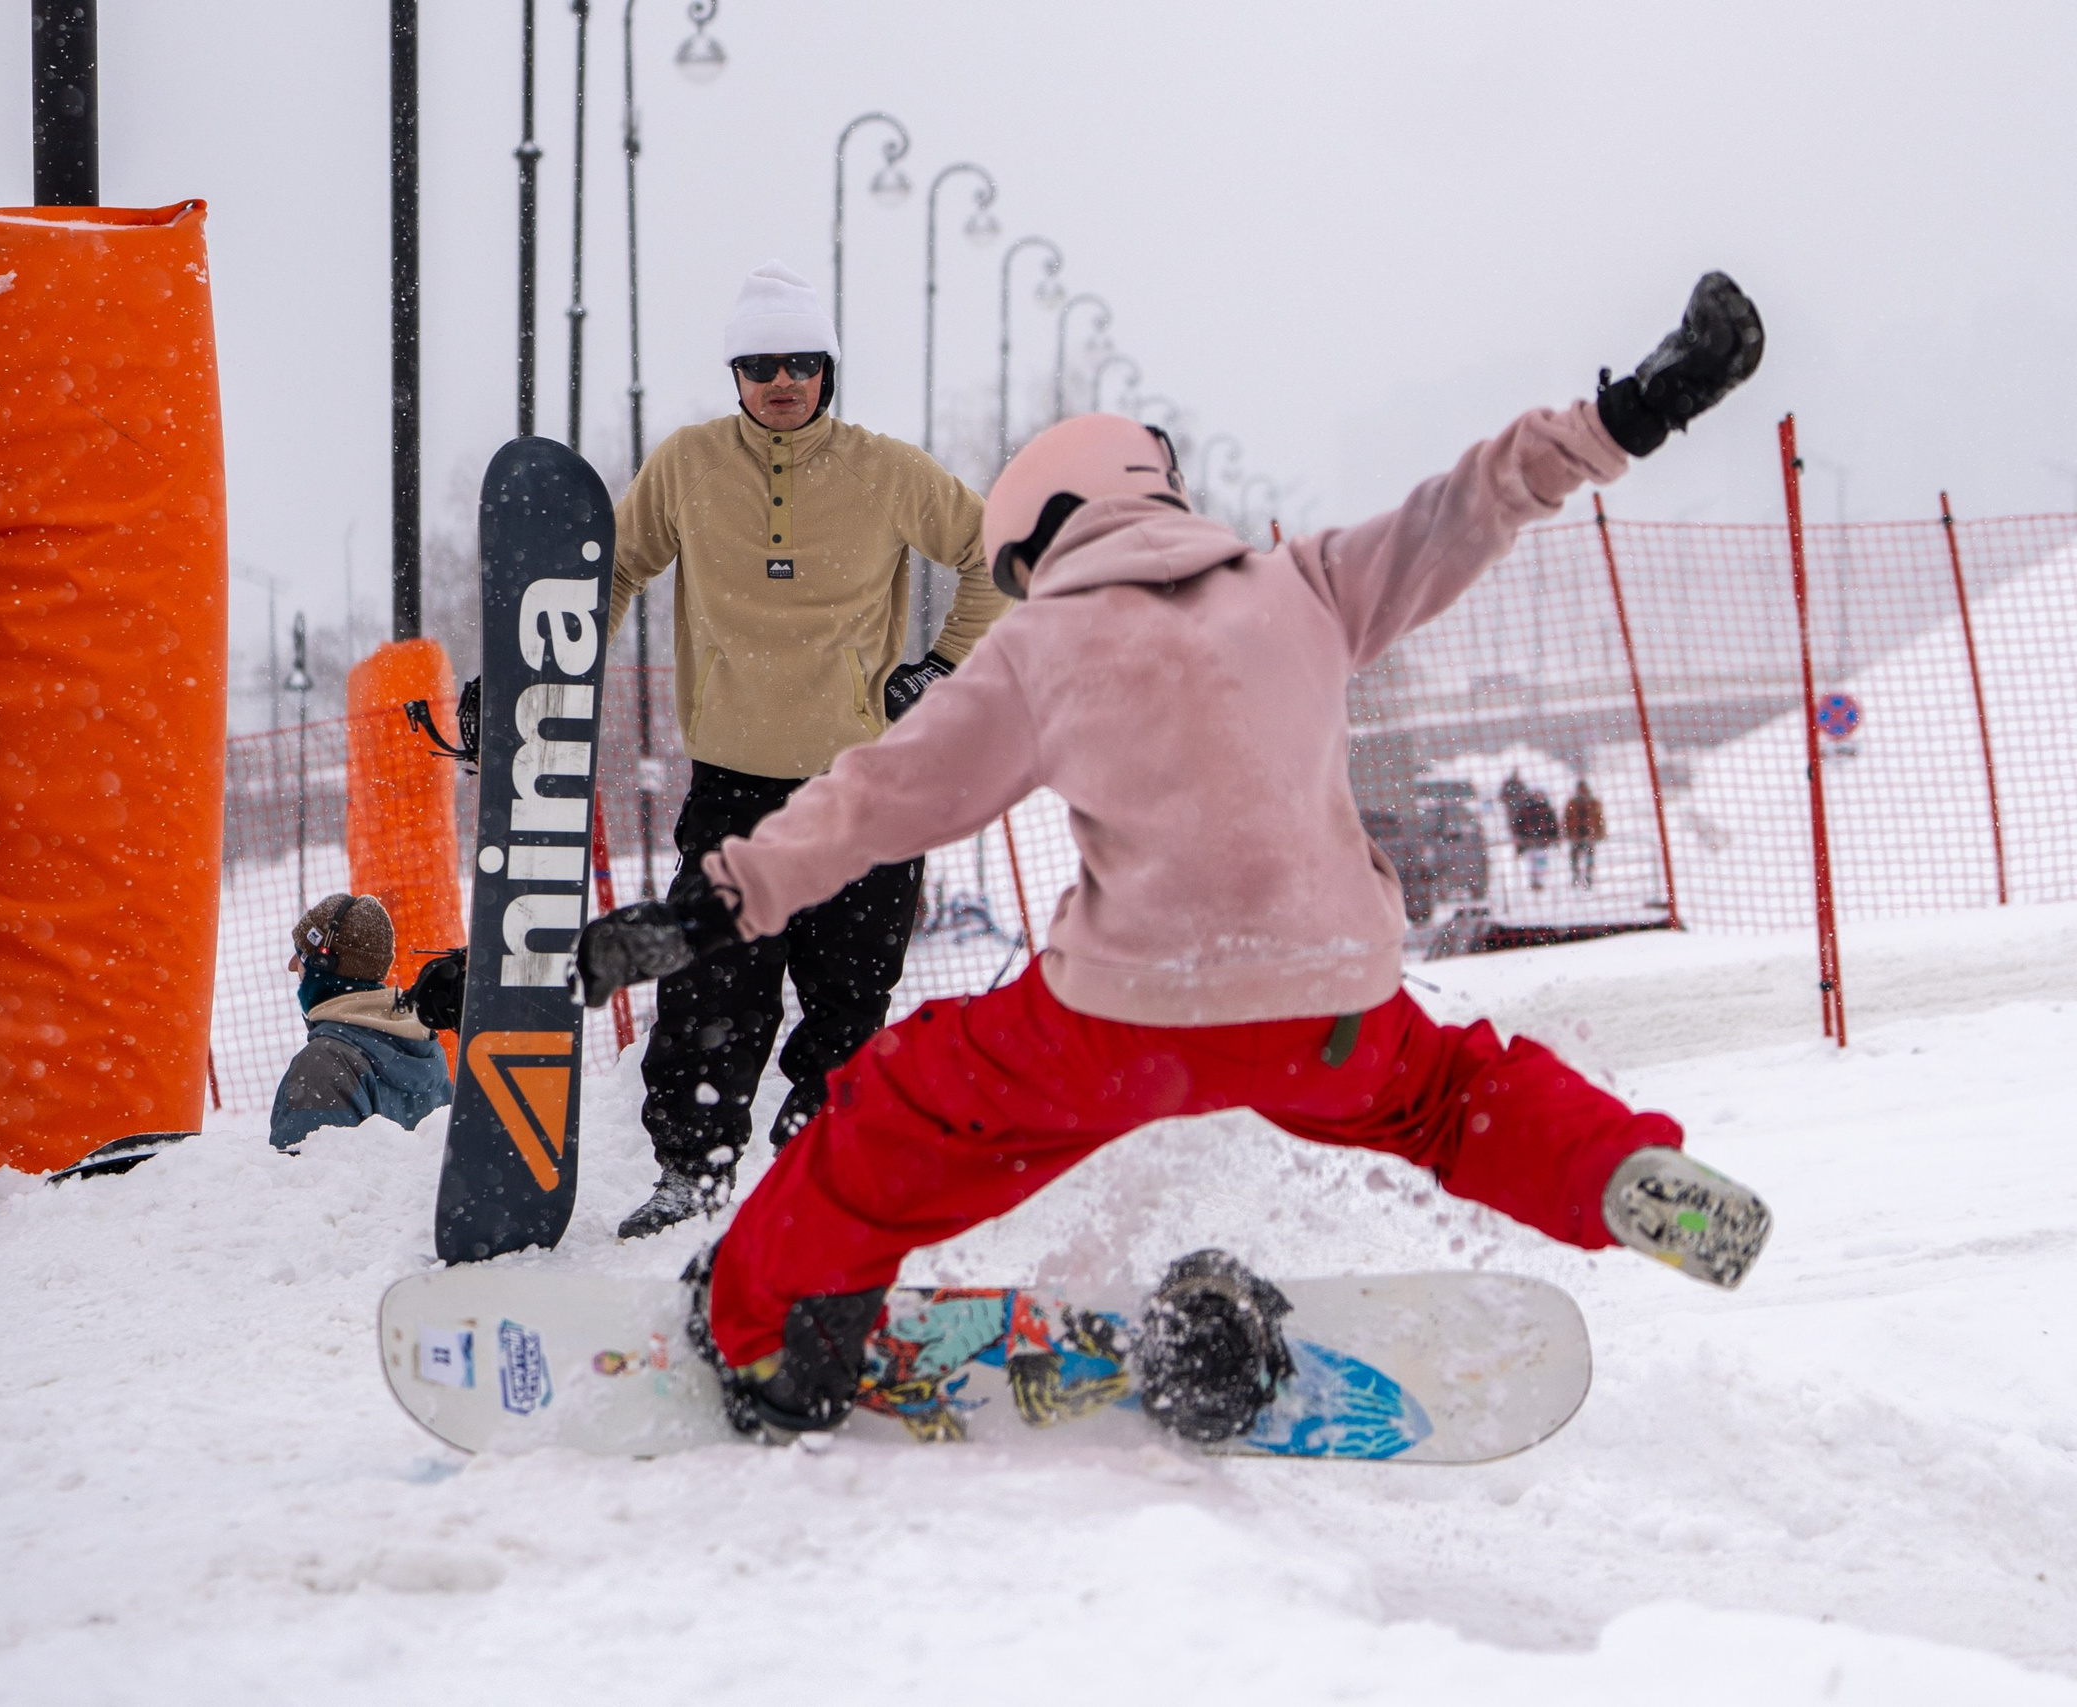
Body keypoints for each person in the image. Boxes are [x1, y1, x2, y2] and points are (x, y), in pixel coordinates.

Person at [576, 273, 1776, 1439]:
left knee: (893, 1116)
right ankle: (1619, 1171)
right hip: (1330, 1012)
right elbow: (1469, 506)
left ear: (1042, 533)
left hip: (1116, 1026)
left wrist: (715, 905)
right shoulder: (1306, 585)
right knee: (1457, 1097)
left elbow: (879, 801)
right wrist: (1635, 410)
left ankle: (778, 1340)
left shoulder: (1040, 647)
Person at [601, 260, 1009, 1239]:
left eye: (800, 362)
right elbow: (611, 569)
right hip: (731, 787)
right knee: (710, 989)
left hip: (865, 789)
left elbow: (991, 552)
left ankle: (820, 1177)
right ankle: (690, 1175)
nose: (780, 381)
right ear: (734, 374)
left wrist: (944, 667)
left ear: (828, 369)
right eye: (758, 365)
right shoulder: (688, 467)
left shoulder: (887, 470)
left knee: (847, 996)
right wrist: (553, 672)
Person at [268, 894, 456, 1151]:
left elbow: (306, 1186)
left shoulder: (323, 1067)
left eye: (300, 956)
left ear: (323, 964)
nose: (291, 966)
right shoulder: (424, 1054)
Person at [1505, 772, 1560, 890]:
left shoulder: (1547, 809)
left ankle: (1540, 881)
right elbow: (1518, 825)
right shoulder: (1525, 809)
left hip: (1543, 843)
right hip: (1529, 843)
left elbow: (1553, 825)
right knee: (1531, 864)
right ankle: (1533, 881)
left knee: (1541, 864)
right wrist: (1519, 837)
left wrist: (1555, 837)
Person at [1564, 778, 1606, 889]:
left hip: (1589, 834)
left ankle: (1588, 876)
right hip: (1576, 834)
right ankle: (1576, 874)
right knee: (1574, 856)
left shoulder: (1593, 803)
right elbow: (1567, 819)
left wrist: (1600, 833)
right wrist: (1568, 833)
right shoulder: (1572, 803)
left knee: (1589, 856)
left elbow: (1599, 819)